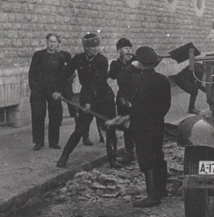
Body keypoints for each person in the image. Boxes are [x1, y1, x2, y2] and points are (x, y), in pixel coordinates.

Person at [52, 33, 122, 169]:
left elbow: (97, 83)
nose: (96, 49)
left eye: (97, 46)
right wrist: (56, 90)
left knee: (110, 129)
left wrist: (89, 102)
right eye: (92, 46)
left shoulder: (102, 60)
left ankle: (113, 159)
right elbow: (64, 74)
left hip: (104, 98)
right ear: (86, 48)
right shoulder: (78, 59)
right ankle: (64, 156)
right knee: (80, 129)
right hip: (87, 97)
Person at [117, 46, 171, 207]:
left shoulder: (135, 80)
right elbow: (166, 105)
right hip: (157, 122)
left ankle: (152, 196)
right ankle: (161, 189)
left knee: (145, 156)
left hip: (141, 124)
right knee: (157, 153)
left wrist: (132, 65)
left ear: (139, 62)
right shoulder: (163, 80)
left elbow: (120, 78)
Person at [28, 33, 70, 150]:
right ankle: (39, 142)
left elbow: (63, 76)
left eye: (54, 42)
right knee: (38, 115)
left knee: (55, 116)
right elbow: (32, 73)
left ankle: (53, 142)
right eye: (50, 41)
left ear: (57, 43)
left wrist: (59, 91)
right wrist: (34, 88)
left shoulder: (60, 57)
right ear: (46, 42)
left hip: (54, 91)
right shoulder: (38, 55)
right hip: (39, 90)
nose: (52, 44)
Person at [108, 37, 137, 163]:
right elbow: (113, 75)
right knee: (126, 127)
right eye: (126, 49)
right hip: (123, 97)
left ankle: (140, 151)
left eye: (130, 48)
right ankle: (130, 153)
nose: (129, 51)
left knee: (138, 124)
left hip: (136, 96)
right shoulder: (116, 64)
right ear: (119, 51)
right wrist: (125, 64)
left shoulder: (136, 62)